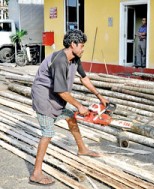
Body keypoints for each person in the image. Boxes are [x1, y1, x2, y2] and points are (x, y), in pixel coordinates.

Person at [29, 29, 109, 186]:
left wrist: (99, 96)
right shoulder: (60, 60)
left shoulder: (75, 58)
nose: (83, 48)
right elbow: (60, 90)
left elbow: (84, 79)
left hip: (55, 97)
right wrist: (79, 106)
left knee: (71, 117)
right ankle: (36, 174)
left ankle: (82, 149)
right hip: (44, 98)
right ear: (73, 44)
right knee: (48, 133)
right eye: (82, 45)